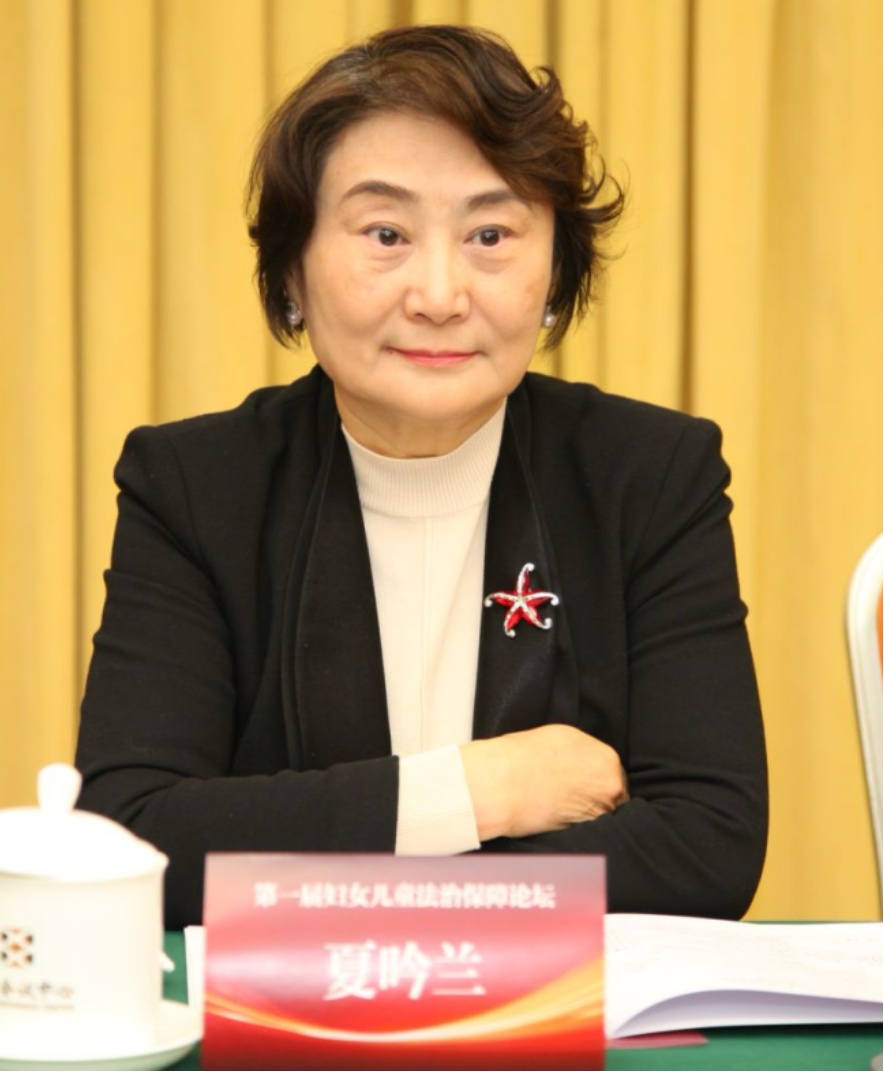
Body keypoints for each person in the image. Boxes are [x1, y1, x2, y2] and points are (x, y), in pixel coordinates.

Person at [75, 24, 768, 929]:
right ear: (291, 273)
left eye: (490, 234)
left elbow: (709, 848)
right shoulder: (197, 487)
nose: (439, 296)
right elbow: (131, 840)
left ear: (555, 272)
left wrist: (350, 868)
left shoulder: (649, 475)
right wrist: (475, 792)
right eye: (386, 234)